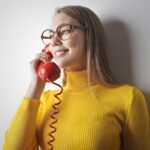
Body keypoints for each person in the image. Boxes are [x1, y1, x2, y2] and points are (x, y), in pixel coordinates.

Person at [3, 5, 150, 150]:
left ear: (90, 36)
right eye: (51, 35)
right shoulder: (45, 100)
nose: (54, 42)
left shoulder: (128, 98)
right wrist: (36, 83)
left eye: (65, 31)